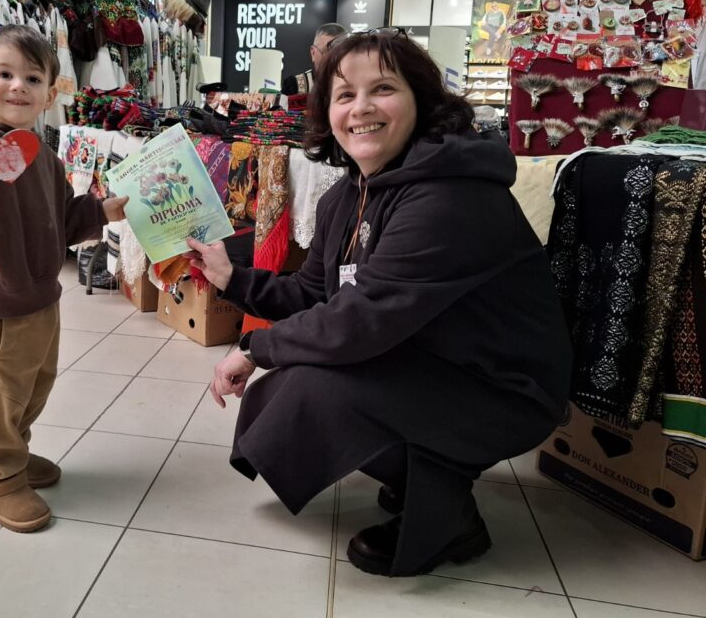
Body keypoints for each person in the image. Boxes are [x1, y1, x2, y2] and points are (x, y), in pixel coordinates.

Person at [186, 28, 572, 577]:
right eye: (344, 95)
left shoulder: (450, 196)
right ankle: (417, 473)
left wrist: (254, 349)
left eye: (383, 89)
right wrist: (233, 279)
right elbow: (314, 294)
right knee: (304, 374)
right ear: (327, 112)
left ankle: (448, 518)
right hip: (434, 357)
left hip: (504, 386)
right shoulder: (348, 193)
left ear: (421, 100)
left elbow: (361, 320)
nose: (361, 108)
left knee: (319, 386)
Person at [0, 25, 127, 533]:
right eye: (5, 74)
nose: (18, 86)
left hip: (39, 296)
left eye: (32, 78)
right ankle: (0, 478)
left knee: (32, 383)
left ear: (50, 94)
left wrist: (104, 210)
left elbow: (64, 219)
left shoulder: (44, 158)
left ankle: (16, 449)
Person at [281, 22, 346, 96]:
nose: (333, 58)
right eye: (326, 52)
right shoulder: (294, 86)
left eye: (339, 52)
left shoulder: (354, 83)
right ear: (313, 53)